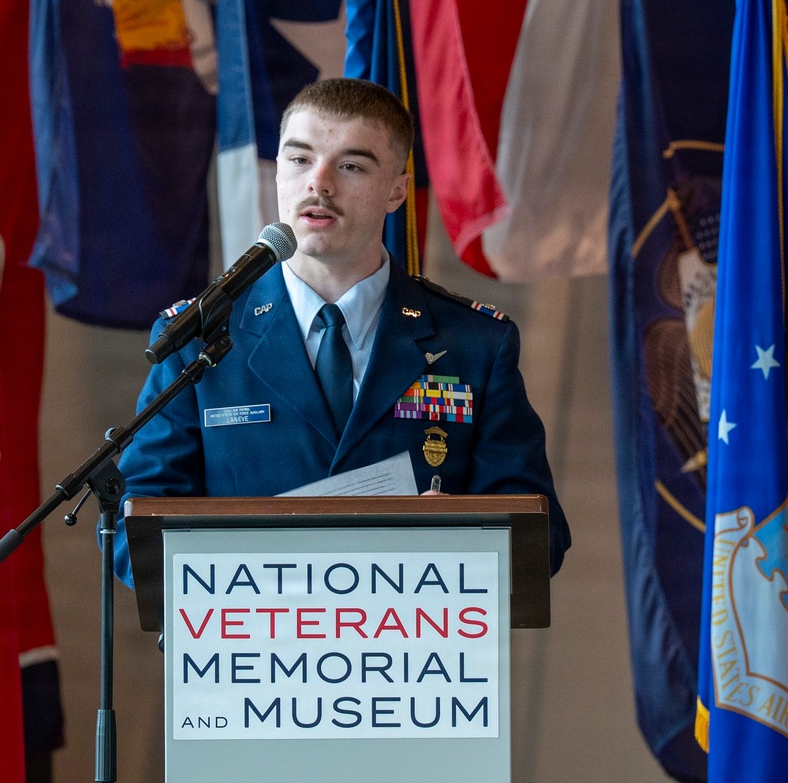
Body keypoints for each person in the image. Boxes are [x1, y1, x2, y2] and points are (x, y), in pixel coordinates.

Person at [112, 77, 570, 584]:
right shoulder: (198, 339)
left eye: (350, 165)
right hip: (247, 652)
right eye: (299, 159)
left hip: (411, 651)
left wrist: (465, 533)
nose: (319, 184)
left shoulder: (474, 344)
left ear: (397, 189)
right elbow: (132, 538)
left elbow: (541, 539)